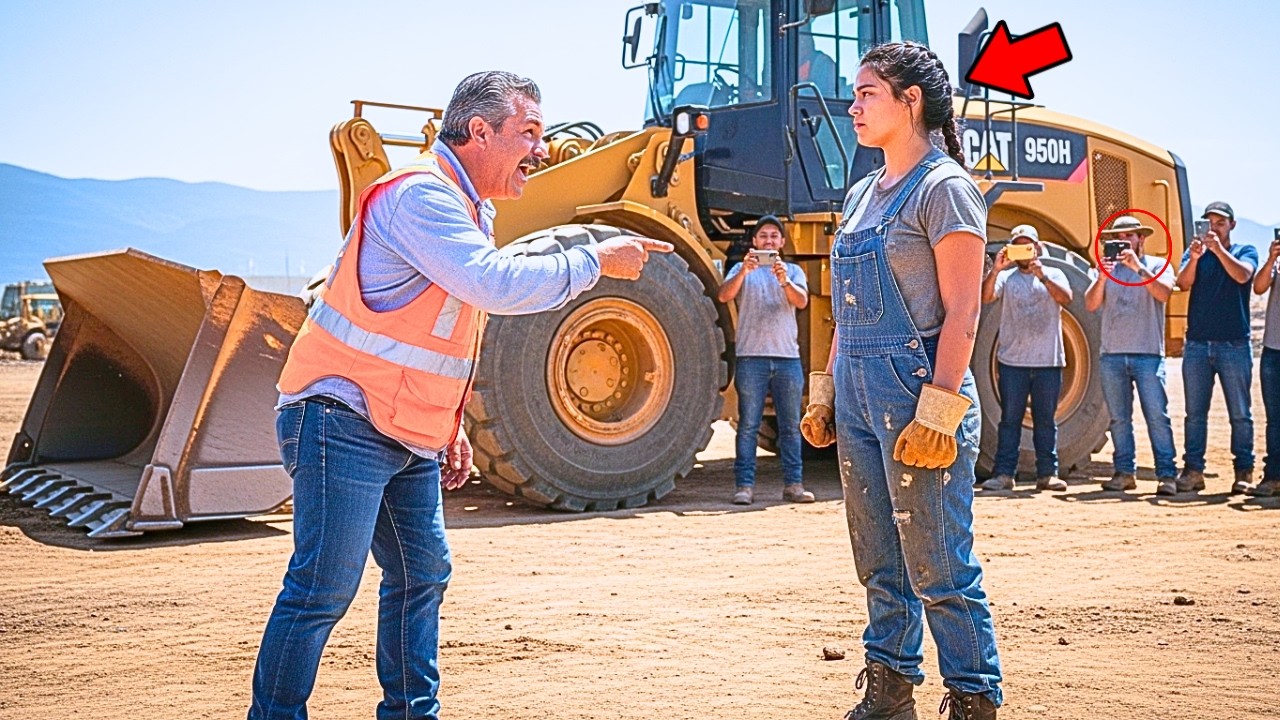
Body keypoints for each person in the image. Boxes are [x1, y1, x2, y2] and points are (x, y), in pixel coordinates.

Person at [248, 71, 671, 720]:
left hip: (403, 428)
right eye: (528, 132)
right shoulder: (421, 195)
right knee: (322, 589)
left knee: (423, 574)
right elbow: (492, 287)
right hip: (341, 419)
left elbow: (445, 328)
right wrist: (593, 258)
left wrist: (450, 423)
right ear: (480, 131)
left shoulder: (470, 207)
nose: (542, 147)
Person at [801, 42, 1002, 719]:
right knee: (880, 559)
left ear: (909, 101)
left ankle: (974, 697)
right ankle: (889, 691)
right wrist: (826, 390)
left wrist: (940, 409)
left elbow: (964, 310)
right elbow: (845, 304)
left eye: (867, 94)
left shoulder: (944, 188)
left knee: (939, 564)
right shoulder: (861, 193)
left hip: (919, 393)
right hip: (859, 389)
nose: (853, 106)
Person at [717, 215, 813, 505]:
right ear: (754, 242)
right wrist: (743, 273)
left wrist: (784, 281)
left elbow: (802, 302)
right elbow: (724, 296)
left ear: (782, 243)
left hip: (787, 359)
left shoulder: (793, 271)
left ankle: (794, 485)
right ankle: (744, 487)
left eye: (773, 236)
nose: (768, 241)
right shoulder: (741, 269)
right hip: (751, 358)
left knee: (790, 425)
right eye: (763, 237)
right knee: (748, 425)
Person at [1085, 216, 1179, 495]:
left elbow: (1163, 294)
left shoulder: (1158, 265)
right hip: (1112, 355)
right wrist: (1103, 275)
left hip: (1148, 354)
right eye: (1119, 237)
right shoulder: (1105, 269)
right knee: (1119, 419)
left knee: (1157, 417)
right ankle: (1124, 472)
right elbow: (1090, 304)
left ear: (1141, 239)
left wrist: (1137, 268)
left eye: (1129, 236)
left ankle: (1167, 475)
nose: (1124, 241)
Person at [1174, 201, 1259, 495]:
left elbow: (1243, 276)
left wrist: (1219, 251)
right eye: (1210, 222)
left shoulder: (1244, 251)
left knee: (1240, 412)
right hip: (1198, 343)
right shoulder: (1194, 253)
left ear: (1232, 225)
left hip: (1234, 343)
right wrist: (1196, 257)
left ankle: (1244, 472)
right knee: (1194, 413)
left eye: (1220, 223)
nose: (1214, 228)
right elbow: (1182, 284)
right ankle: (1193, 470)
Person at [979, 224, 1072, 492]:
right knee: (1010, 420)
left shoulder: (1053, 273)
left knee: (1046, 421)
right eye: (1019, 245)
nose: (1025, 251)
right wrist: (996, 268)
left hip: (1048, 362)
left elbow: (1066, 298)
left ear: (1038, 247)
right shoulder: (1007, 278)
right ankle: (1004, 473)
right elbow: (986, 297)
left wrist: (1042, 275)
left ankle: (1048, 474)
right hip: (1013, 362)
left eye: (1028, 245)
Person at [1250, 232, 1280, 496]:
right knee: (1274, 420)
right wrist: (1271, 259)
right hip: (1273, 349)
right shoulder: (1277, 263)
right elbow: (1258, 287)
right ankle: (1273, 477)